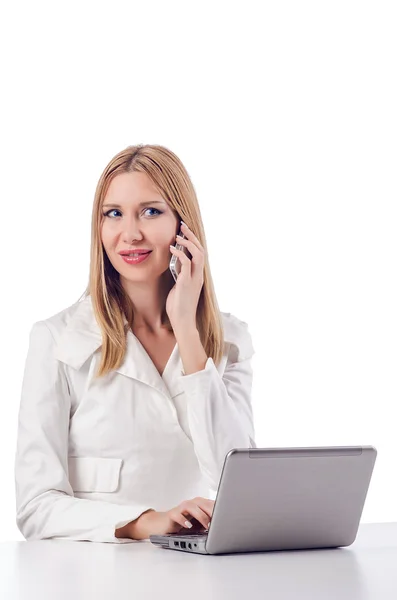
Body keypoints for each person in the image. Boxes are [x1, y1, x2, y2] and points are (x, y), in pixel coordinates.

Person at [14, 144, 256, 543]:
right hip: (93, 577)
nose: (130, 233)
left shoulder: (228, 342)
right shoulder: (57, 340)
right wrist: (146, 522)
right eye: (114, 214)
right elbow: (36, 508)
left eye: (151, 211)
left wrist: (187, 330)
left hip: (195, 576)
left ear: (184, 223)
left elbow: (237, 482)